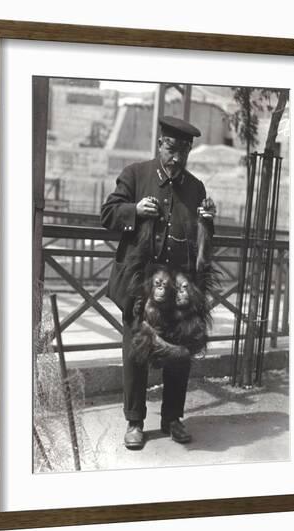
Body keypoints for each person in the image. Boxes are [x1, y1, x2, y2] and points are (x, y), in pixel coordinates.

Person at [100, 115, 215, 450]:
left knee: (180, 353)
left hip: (178, 288)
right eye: (170, 149)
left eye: (183, 151)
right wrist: (134, 209)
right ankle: (135, 422)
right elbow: (107, 214)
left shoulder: (195, 188)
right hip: (139, 285)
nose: (176, 157)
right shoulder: (136, 174)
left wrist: (207, 223)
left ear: (189, 152)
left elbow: (202, 241)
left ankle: (172, 419)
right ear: (160, 144)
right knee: (136, 353)